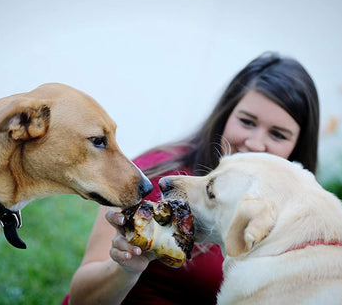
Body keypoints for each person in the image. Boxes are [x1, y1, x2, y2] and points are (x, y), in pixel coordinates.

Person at [64, 52, 320, 304]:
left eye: (278, 135)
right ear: (227, 114)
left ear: (298, 145)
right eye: (247, 121)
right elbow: (80, 299)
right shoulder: (153, 179)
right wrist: (125, 270)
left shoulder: (297, 224)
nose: (254, 143)